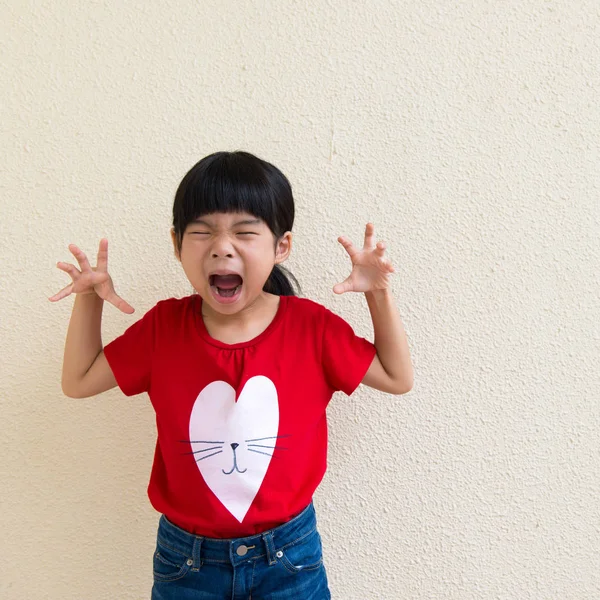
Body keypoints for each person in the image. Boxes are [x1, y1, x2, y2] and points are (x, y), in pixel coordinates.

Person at [49, 150, 414, 599]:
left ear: (281, 246)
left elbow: (397, 377)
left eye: (244, 232)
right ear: (176, 243)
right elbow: (79, 380)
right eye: (202, 232)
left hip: (290, 559)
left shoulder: (312, 328)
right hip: (186, 563)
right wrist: (90, 300)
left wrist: (377, 294)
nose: (222, 246)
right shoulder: (163, 328)